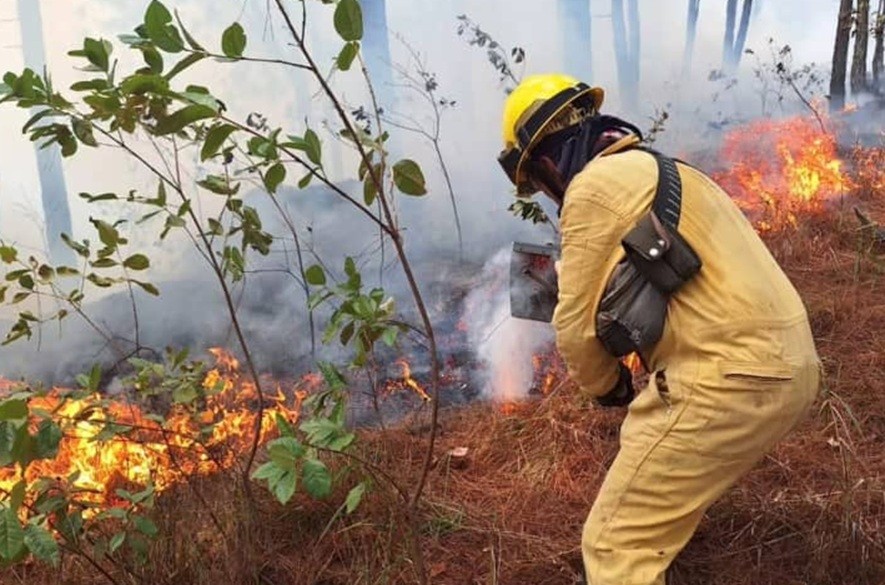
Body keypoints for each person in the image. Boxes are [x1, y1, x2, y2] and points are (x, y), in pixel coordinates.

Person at [497, 74, 822, 585]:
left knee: (615, 545)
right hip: (792, 366)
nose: (546, 192)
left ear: (545, 161)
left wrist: (611, 389)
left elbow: (576, 332)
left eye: (537, 180)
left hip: (726, 379)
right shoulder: (674, 172)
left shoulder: (591, 188)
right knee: (653, 518)